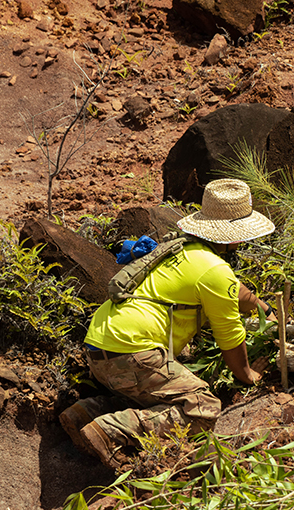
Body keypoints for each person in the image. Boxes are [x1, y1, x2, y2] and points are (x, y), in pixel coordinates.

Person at [60, 179, 277, 470]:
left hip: (101, 349)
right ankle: (109, 429)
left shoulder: (184, 251)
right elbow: (230, 336)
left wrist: (264, 308)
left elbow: (235, 291)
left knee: (158, 398)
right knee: (202, 407)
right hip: (133, 353)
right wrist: (248, 374)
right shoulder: (215, 269)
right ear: (235, 236)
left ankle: (85, 413)